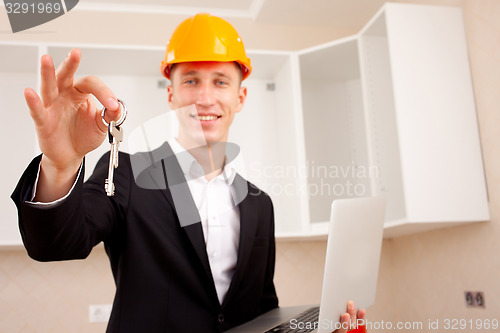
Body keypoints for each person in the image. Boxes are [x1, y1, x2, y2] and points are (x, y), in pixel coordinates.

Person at [11, 13, 366, 333]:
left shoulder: (260, 205)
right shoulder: (127, 174)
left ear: (241, 97)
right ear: (171, 95)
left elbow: (262, 310)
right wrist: (61, 164)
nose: (205, 98)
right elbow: (55, 244)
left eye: (221, 82)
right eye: (191, 81)